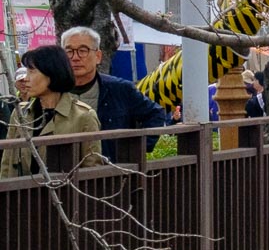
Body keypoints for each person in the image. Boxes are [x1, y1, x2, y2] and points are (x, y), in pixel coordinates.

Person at [61, 26, 168, 161]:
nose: (75, 57)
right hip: (64, 173)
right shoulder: (54, 92)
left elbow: (155, 113)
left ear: (98, 56)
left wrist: (138, 148)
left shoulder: (120, 89)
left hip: (111, 172)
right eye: (69, 51)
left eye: (83, 51)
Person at [1, 44, 102, 177]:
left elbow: (93, 171)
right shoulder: (20, 113)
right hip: (23, 195)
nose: (25, 78)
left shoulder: (83, 116)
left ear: (52, 73)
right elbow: (7, 165)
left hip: (63, 195)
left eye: (32, 71)